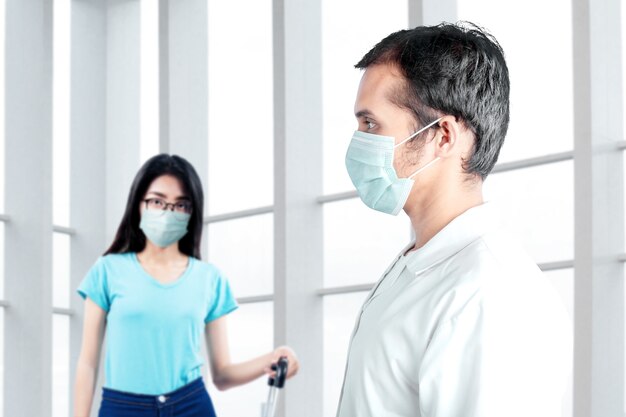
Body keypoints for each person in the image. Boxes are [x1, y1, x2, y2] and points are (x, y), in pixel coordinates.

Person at [338, 22, 572, 417]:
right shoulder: (422, 264)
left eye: (371, 124)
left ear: (442, 136)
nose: (358, 141)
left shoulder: (490, 295)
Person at [73, 154, 299, 417]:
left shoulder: (209, 279)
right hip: (123, 408)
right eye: (157, 201)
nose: (168, 212)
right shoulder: (107, 271)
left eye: (180, 205)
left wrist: (276, 356)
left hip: (190, 405)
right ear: (138, 204)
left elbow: (222, 374)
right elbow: (87, 365)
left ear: (192, 212)